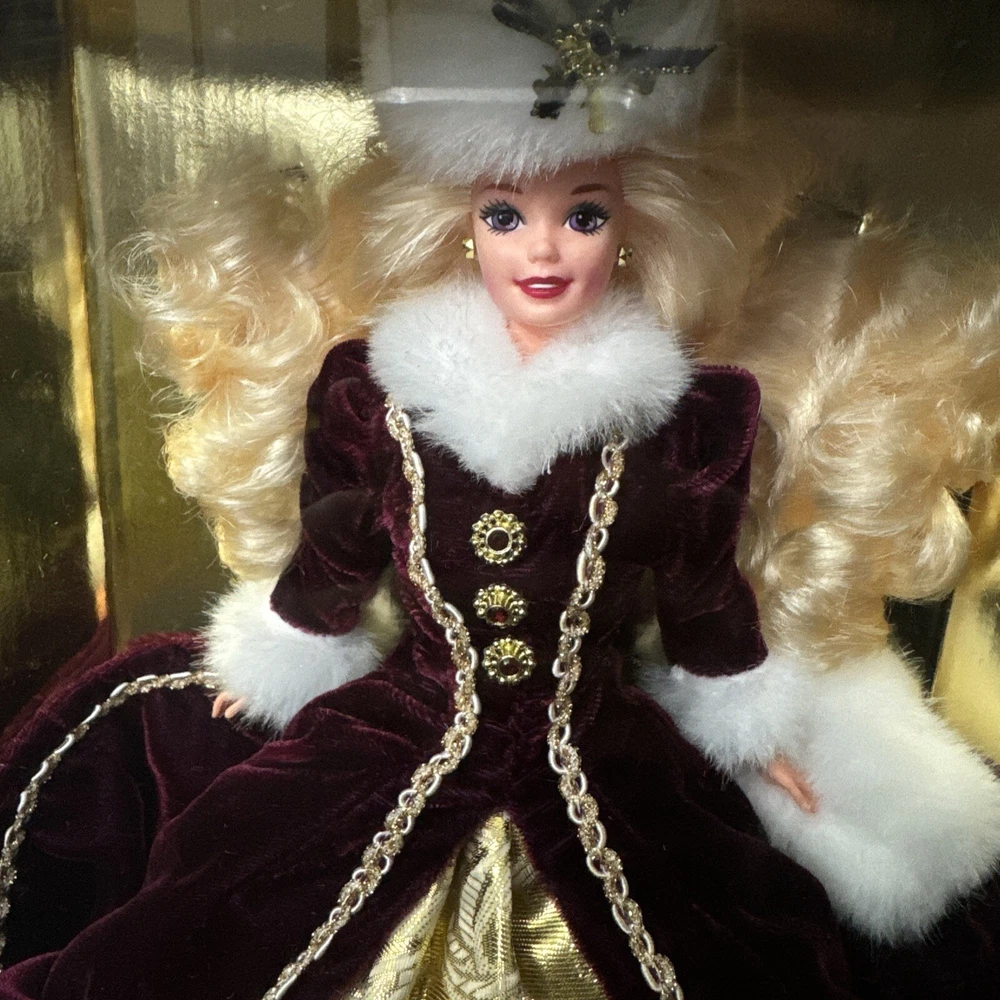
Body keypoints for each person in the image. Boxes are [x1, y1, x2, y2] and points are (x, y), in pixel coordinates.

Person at [2, 1, 1000, 998]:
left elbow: (705, 601)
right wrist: (284, 647)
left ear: (638, 228)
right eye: (505, 216)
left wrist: (755, 732)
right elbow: (334, 551)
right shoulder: (372, 392)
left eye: (585, 215)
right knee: (245, 921)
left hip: (602, 754)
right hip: (401, 729)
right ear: (460, 226)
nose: (543, 250)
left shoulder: (688, 421)